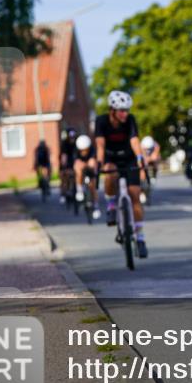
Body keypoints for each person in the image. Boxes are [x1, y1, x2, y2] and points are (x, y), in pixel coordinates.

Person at [94, 90, 149, 258]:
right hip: (111, 157)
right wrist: (99, 163)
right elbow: (101, 145)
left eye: (127, 110)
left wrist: (140, 158)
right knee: (110, 174)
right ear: (112, 110)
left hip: (129, 159)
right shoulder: (101, 121)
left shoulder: (130, 120)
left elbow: (134, 141)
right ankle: (111, 205)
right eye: (122, 110)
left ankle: (140, 237)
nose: (125, 114)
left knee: (135, 195)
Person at [73, 134, 101, 220]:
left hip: (90, 169)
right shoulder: (76, 151)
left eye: (85, 150)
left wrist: (91, 166)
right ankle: (80, 189)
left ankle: (96, 206)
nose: (84, 152)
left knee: (93, 187)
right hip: (81, 169)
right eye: (82, 150)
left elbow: (93, 162)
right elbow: (76, 162)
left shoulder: (92, 150)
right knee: (78, 167)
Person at [58, 127, 78, 203]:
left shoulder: (77, 142)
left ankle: (78, 191)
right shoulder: (64, 144)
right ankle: (63, 194)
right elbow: (64, 157)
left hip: (75, 161)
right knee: (64, 177)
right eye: (70, 137)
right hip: (66, 162)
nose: (72, 139)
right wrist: (64, 167)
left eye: (73, 137)